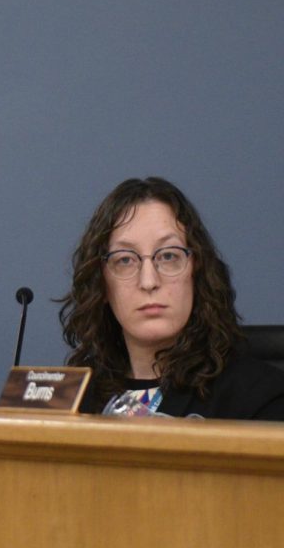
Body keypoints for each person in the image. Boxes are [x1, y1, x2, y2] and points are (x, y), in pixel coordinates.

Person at [59, 177, 284, 420]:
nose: (149, 281)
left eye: (168, 256)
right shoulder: (74, 397)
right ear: (101, 283)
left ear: (196, 271)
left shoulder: (260, 397)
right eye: (125, 260)